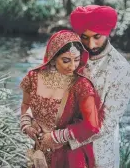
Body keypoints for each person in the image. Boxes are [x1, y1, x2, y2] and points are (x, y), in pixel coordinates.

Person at [20, 30, 104, 168]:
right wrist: (27, 125)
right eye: (66, 60)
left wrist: (56, 137)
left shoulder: (81, 85)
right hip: (40, 152)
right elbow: (25, 104)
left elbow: (92, 126)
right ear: (52, 58)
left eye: (76, 60)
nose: (72, 66)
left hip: (69, 157)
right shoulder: (33, 77)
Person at [69, 5, 130, 168]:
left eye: (97, 37)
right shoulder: (70, 54)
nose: (90, 44)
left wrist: (60, 138)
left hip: (99, 153)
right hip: (63, 152)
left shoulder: (122, 70)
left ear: (107, 32)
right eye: (84, 37)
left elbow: (106, 123)